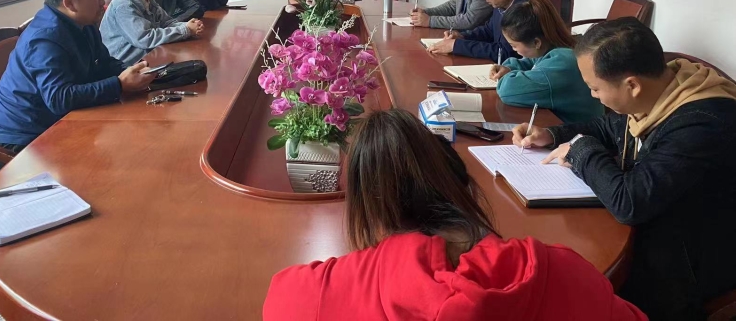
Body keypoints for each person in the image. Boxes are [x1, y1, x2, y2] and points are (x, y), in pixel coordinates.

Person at [264, 109, 646, 321]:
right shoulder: (563, 272)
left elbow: (277, 302)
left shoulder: (316, 290)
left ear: (372, 207)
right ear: (463, 183)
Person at [514, 18, 736, 321]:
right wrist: (552, 134)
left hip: (689, 265)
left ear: (632, 85)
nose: (593, 96)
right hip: (652, 234)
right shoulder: (662, 89)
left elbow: (630, 202)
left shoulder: (702, 123)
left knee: (566, 291)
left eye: (595, 88)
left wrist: (581, 150)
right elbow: (607, 126)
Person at [0, 0, 156, 151]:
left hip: (61, 122)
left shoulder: (85, 23)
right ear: (69, 3)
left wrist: (133, 72)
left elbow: (104, 63)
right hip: (23, 141)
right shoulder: (45, 38)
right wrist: (119, 84)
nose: (102, 2)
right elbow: (59, 99)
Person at [490, 0, 604, 124]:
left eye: (514, 45)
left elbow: (508, 91)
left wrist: (507, 76)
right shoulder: (556, 49)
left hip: (580, 133)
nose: (514, 50)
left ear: (536, 43)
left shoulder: (562, 64)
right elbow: (531, 61)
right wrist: (509, 68)